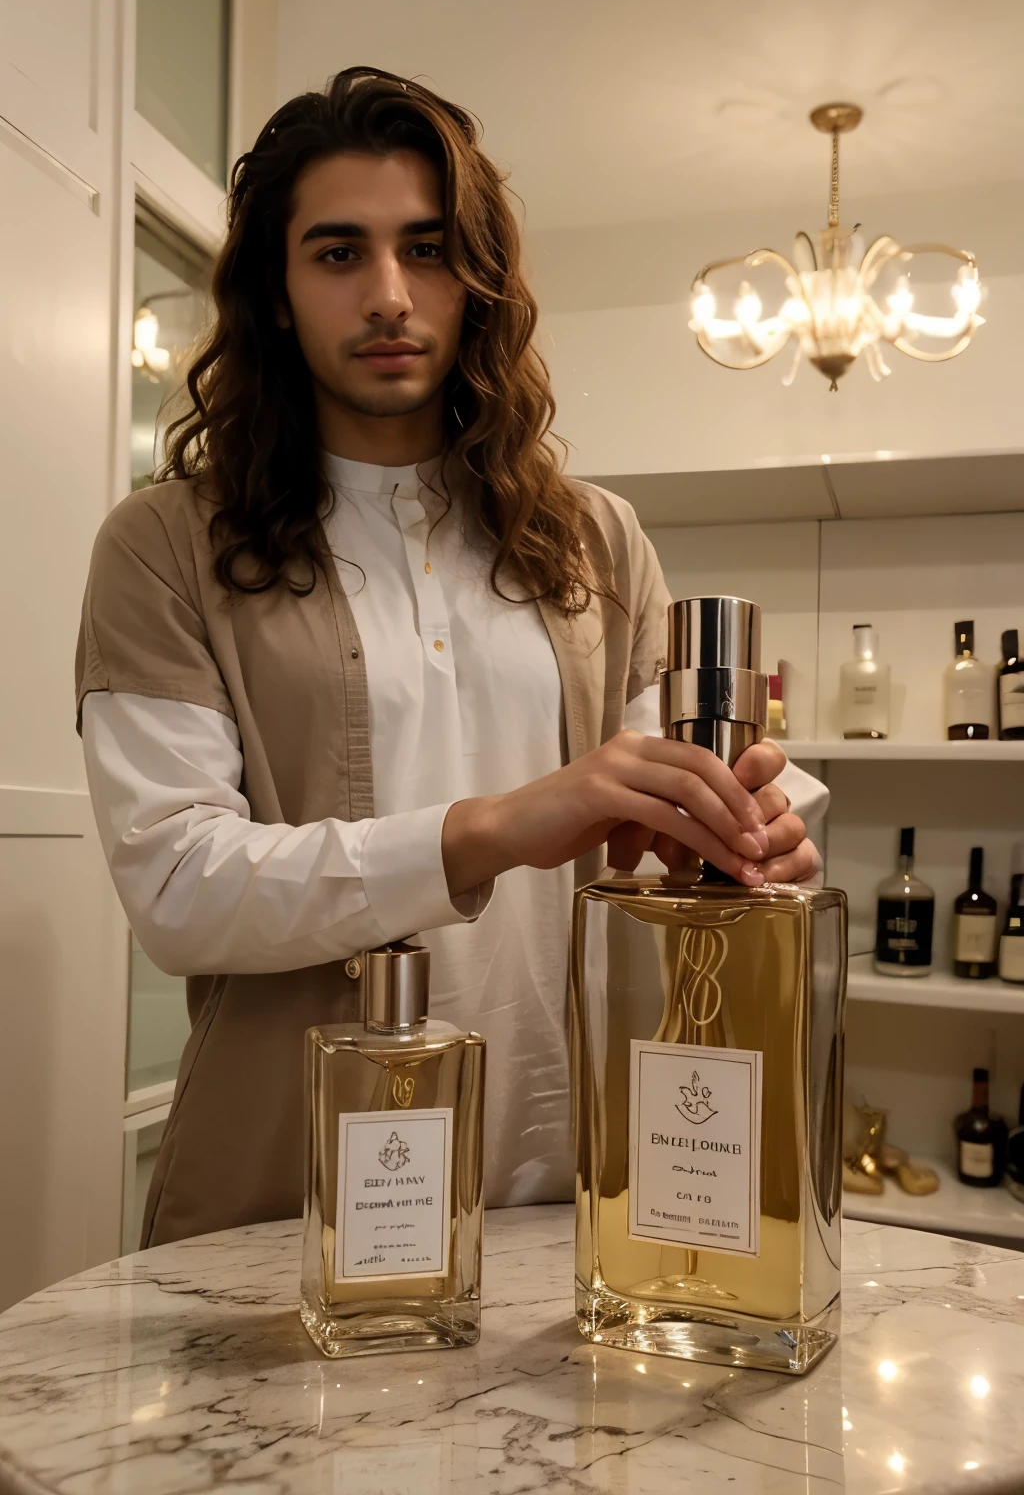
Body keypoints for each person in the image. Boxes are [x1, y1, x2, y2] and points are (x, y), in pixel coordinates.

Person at [76, 67, 826, 1247]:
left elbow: (669, 838)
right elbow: (179, 891)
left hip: (578, 1179)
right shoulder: (166, 544)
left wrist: (745, 841)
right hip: (294, 1193)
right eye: (337, 253)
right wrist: (487, 828)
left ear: (476, 283)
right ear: (273, 292)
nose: (387, 295)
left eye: (426, 251)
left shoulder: (595, 537)